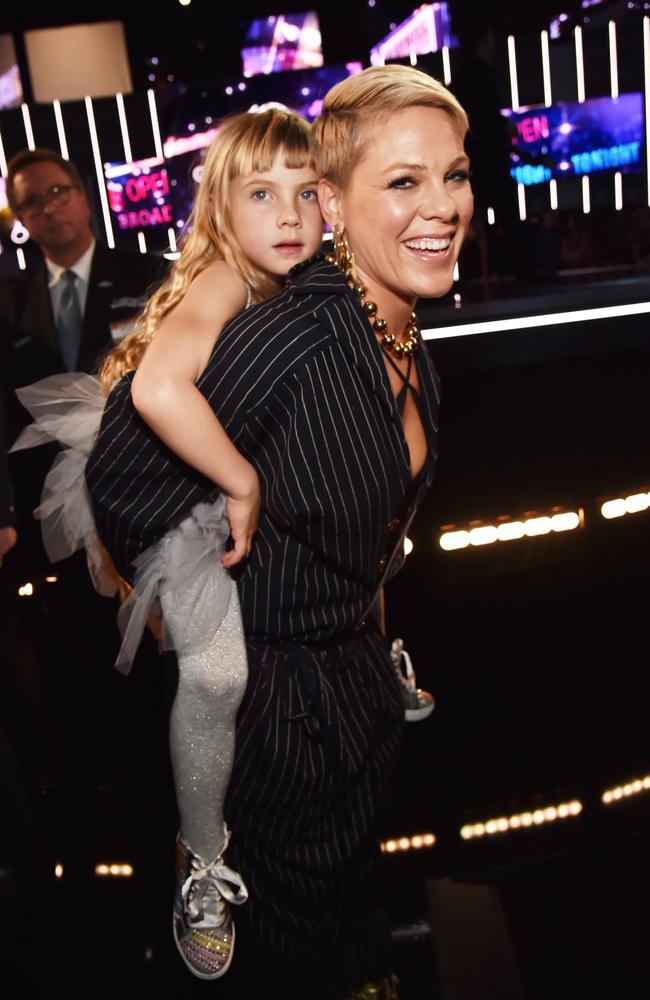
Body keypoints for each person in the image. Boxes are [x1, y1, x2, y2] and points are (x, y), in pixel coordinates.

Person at [86, 65, 472, 998]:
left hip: (353, 694)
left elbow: (369, 519)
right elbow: (120, 474)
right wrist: (200, 584)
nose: (443, 206)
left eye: (454, 174)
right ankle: (203, 860)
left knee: (350, 915)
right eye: (405, 181)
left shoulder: (403, 334)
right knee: (289, 945)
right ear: (337, 205)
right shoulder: (287, 337)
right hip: (275, 715)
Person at [14, 107, 325, 981]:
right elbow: (157, 390)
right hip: (160, 487)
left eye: (308, 192)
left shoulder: (310, 279)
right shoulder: (225, 276)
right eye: (262, 194)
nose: (291, 215)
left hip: (209, 461)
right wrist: (243, 481)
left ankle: (382, 652)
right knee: (217, 671)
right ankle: (199, 857)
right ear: (222, 208)